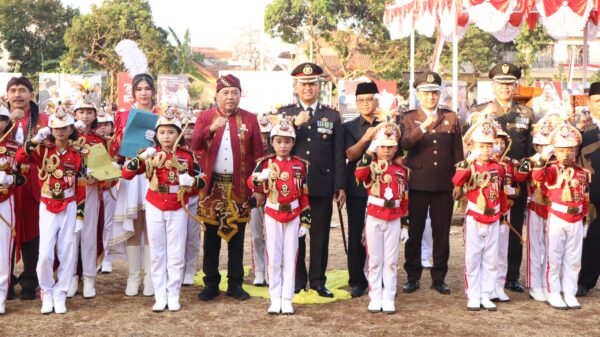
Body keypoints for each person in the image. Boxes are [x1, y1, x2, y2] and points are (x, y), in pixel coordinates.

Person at [122, 108, 206, 312]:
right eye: (162, 132)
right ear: (156, 134)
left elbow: (203, 181)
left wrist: (192, 180)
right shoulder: (151, 154)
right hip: (155, 204)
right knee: (158, 253)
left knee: (176, 252)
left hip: (178, 205)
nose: (166, 136)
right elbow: (126, 174)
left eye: (171, 132)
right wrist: (142, 158)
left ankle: (173, 293)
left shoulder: (187, 156)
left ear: (178, 134)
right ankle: (160, 295)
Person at [277, 62, 346, 297]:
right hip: (292, 185)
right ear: (295, 86)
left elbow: (338, 153)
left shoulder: (332, 115)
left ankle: (317, 280)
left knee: (320, 235)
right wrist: (293, 125)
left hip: (321, 184)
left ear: (319, 87)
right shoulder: (284, 114)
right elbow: (274, 146)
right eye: (303, 83)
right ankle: (297, 279)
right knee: (295, 234)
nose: (308, 88)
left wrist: (339, 185)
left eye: (313, 84)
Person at [192, 74, 263, 301]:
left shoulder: (250, 119)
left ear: (240, 95)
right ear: (217, 95)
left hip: (239, 186)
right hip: (212, 187)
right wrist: (211, 129)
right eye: (225, 93)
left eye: (234, 92)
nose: (230, 97)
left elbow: (258, 155)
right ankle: (211, 284)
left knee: (237, 238)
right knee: (211, 238)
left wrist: (258, 188)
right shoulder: (205, 116)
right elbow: (194, 144)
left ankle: (235, 284)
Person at [468, 63, 534, 293]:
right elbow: (469, 145)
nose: (506, 88)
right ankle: (488, 276)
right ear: (493, 86)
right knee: (489, 228)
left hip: (516, 181)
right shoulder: (481, 111)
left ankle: (512, 275)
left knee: (514, 227)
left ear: (515, 85)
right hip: (488, 181)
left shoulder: (526, 113)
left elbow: (531, 150)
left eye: (510, 84)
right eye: (501, 84)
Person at [16, 105, 85, 314]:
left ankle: (61, 292)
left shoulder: (79, 153)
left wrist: (80, 214)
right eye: (56, 128)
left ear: (71, 128)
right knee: (45, 252)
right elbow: (20, 158)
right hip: (47, 204)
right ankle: (46, 290)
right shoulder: (43, 150)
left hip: (69, 204)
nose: (60, 131)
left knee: (68, 251)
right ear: (51, 130)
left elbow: (81, 185)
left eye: (64, 127)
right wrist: (36, 139)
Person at [400, 71, 463, 295]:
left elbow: (458, 153)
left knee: (441, 232)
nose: (430, 97)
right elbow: (406, 143)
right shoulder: (408, 118)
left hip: (444, 184)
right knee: (414, 231)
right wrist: (424, 126)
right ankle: (412, 276)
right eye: (426, 93)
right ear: (418, 94)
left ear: (439, 94)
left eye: (434, 93)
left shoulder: (451, 117)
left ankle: (439, 276)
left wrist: (459, 182)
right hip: (417, 183)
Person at [247, 117, 311, 315]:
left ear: (293, 143)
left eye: (287, 141)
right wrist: (259, 178)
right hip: (273, 212)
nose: (283, 146)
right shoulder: (265, 163)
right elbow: (251, 182)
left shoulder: (300, 165)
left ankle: (287, 298)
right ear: (272, 142)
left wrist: (306, 222)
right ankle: (275, 298)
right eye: (279, 141)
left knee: (291, 256)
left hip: (293, 214)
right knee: (273, 257)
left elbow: (304, 196)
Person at [452, 116, 508, 311]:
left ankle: (487, 293)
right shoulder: (469, 165)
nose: (485, 150)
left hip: (494, 217)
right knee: (473, 257)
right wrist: (468, 159)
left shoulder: (499, 168)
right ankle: (473, 294)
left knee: (491, 258)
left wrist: (503, 216)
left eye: (489, 145)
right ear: (474, 145)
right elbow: (457, 180)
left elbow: (500, 193)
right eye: (481, 145)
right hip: (475, 215)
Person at [531, 122, 589, 309]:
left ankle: (569, 292)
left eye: (571, 150)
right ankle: (553, 291)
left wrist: (585, 219)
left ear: (576, 150)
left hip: (576, 219)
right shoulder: (552, 169)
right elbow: (538, 176)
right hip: (557, 217)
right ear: (555, 150)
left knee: (573, 260)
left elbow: (584, 197)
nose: (567, 154)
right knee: (554, 257)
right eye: (562, 150)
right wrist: (544, 156)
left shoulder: (581, 172)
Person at [111, 73, 158, 297]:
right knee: (134, 221)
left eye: (147, 88)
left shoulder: (162, 115)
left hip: (155, 171)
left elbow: (174, 143)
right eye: (139, 89)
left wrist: (156, 139)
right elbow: (117, 145)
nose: (143, 93)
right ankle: (133, 276)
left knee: (151, 223)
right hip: (131, 170)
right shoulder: (122, 115)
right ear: (133, 92)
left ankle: (150, 276)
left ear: (153, 91)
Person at [355, 120, 409, 314]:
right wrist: (369, 153)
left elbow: (404, 199)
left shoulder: (401, 171)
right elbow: (360, 175)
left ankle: (389, 296)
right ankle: (375, 296)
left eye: (390, 147)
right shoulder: (371, 166)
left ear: (395, 149)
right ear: (376, 147)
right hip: (375, 217)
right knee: (375, 259)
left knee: (391, 260)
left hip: (394, 217)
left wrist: (405, 224)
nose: (386, 151)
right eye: (382, 147)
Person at [7, 77, 48, 300]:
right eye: (13, 90)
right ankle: (7, 281)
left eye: (22, 90)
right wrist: (8, 122)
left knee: (34, 234)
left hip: (35, 182)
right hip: (7, 185)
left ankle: (31, 281)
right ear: (7, 96)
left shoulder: (44, 120)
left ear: (31, 94)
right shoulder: (3, 119)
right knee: (7, 235)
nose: (17, 95)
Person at [343, 82, 380, 297]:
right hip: (357, 189)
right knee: (356, 233)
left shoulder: (387, 125)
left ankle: (379, 277)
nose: (366, 103)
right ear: (356, 103)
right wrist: (367, 138)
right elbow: (349, 155)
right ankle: (356, 279)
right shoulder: (349, 127)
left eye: (370, 99)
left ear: (376, 101)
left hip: (382, 187)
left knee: (381, 234)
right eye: (361, 100)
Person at [67, 93, 105, 299]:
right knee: (70, 234)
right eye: (81, 111)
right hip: (67, 190)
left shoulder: (99, 140)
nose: (85, 115)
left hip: (89, 190)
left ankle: (89, 277)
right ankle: (71, 276)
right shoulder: (65, 135)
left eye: (89, 111)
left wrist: (98, 174)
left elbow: (107, 171)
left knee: (88, 234)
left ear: (95, 115)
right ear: (74, 114)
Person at [514, 119, 555, 302]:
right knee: (535, 248)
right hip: (534, 206)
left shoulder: (557, 163)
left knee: (552, 248)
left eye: (548, 144)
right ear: (536, 145)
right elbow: (518, 177)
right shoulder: (529, 161)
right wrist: (535, 161)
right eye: (541, 145)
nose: (545, 148)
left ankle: (548, 283)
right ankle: (534, 284)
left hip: (554, 207)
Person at [0, 103, 27, 314]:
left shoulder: (13, 147)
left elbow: (22, 176)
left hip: (4, 202)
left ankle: (0, 297)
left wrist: (8, 178)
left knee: (2, 252)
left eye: (2, 118)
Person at [577, 82, 600, 297]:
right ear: (589, 103)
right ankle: (585, 280)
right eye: (597, 101)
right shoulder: (583, 134)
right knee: (593, 240)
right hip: (594, 196)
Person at [249, 112, 273, 287]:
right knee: (257, 234)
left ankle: (271, 270)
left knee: (274, 235)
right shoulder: (251, 154)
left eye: (267, 136)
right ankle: (259, 269)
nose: (264, 140)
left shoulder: (278, 154)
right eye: (261, 135)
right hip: (254, 196)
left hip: (275, 197)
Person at [180, 109, 202, 286]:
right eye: (184, 126)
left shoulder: (202, 148)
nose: (188, 130)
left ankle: (190, 269)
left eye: (192, 126)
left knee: (192, 236)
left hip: (194, 197)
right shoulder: (173, 149)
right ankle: (177, 268)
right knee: (176, 236)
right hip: (174, 199)